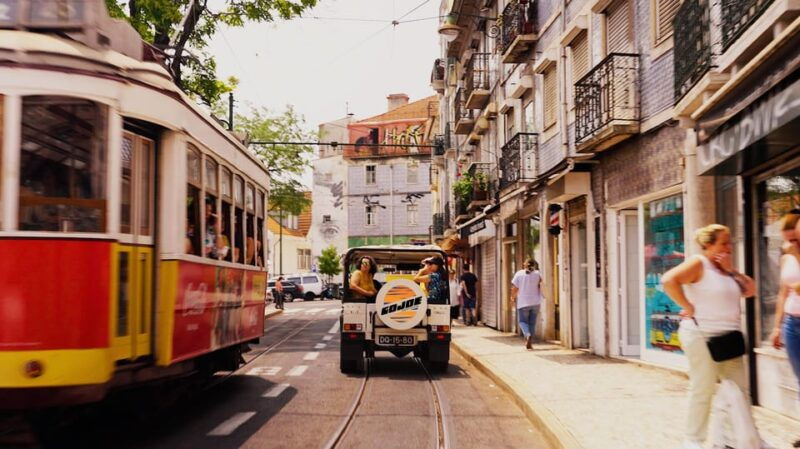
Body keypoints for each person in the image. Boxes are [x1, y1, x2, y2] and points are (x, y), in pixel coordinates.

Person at [661, 224, 772, 449]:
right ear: (708, 245)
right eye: (723, 242)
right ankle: (693, 440)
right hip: (701, 335)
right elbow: (668, 281)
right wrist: (687, 306)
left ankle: (747, 438)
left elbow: (750, 290)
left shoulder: (725, 270)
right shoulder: (698, 263)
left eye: (729, 242)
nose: (728, 247)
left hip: (728, 338)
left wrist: (731, 270)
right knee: (703, 389)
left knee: (739, 391)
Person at [771, 211, 800, 448]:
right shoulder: (786, 258)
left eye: (795, 239)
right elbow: (783, 292)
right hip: (792, 323)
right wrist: (777, 327)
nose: (790, 244)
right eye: (788, 239)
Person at [511, 259, 543, 350]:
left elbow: (514, 288)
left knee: (522, 321)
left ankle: (527, 334)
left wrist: (512, 297)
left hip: (523, 302)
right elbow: (542, 285)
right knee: (532, 323)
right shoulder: (538, 274)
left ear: (525, 265)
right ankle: (530, 342)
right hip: (536, 302)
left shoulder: (519, 274)